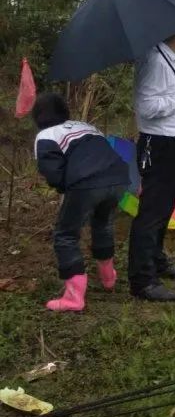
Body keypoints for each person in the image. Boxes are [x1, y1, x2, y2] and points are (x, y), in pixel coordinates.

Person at [32, 92, 130, 312]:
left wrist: (66, 189)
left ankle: (74, 297)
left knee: (65, 235)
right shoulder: (85, 126)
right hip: (118, 178)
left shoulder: (46, 135)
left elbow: (52, 172)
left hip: (87, 183)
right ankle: (108, 278)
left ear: (38, 116)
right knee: (103, 224)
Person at [128, 26, 175, 302]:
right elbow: (147, 108)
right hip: (159, 145)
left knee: (165, 206)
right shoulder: (157, 61)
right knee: (152, 211)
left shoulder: (167, 56)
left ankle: (156, 261)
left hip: (173, 143)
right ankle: (143, 280)